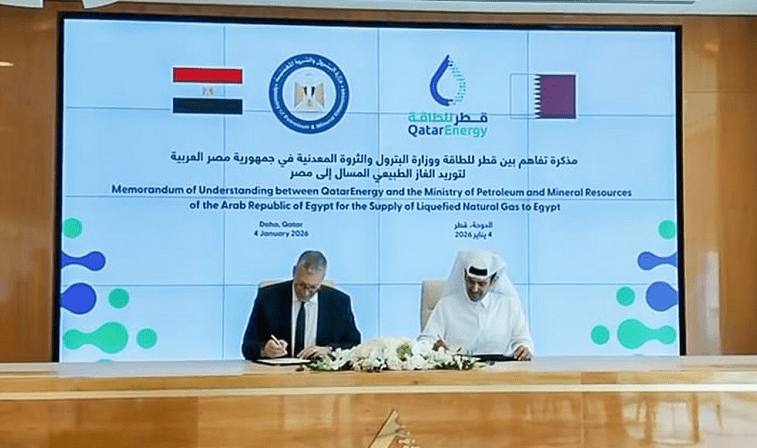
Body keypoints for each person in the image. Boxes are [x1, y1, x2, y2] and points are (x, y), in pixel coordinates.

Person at [241, 250, 361, 360]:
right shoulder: (268, 297)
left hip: (320, 373)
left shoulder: (339, 302)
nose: (306, 292)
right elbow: (247, 347)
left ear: (322, 279)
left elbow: (354, 343)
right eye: (301, 285)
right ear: (294, 272)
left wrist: (329, 350)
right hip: (278, 372)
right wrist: (265, 349)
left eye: (313, 287)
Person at [420, 249, 534, 361]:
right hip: (457, 371)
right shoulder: (446, 305)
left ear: (493, 281)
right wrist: (434, 347)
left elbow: (524, 341)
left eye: (481, 283)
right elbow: (425, 341)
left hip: (498, 370)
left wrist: (524, 349)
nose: (475, 289)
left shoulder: (509, 305)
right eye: (471, 281)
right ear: (464, 277)